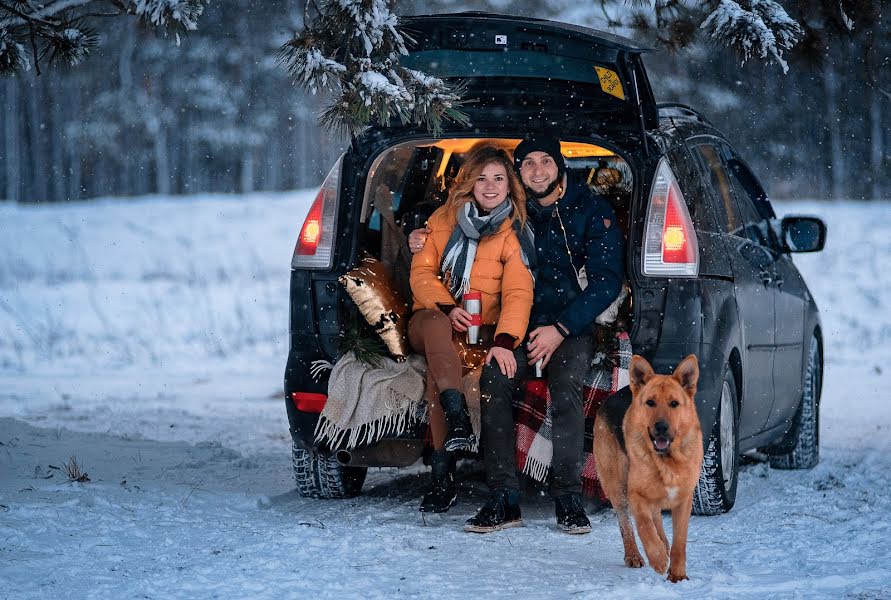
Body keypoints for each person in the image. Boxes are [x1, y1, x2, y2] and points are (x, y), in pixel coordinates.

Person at [409, 135, 625, 533]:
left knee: (565, 386)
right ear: (518, 172)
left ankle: (568, 497)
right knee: (495, 381)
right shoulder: (512, 214)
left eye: (546, 161)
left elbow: (606, 281)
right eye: (528, 164)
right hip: (519, 324)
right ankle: (504, 498)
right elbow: (451, 219)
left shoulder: (591, 210)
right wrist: (416, 230)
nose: (538, 170)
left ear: (560, 165)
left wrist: (560, 329)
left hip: (568, 325)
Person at [408, 145, 535, 514]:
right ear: (469, 182)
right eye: (481, 178)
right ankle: (459, 417)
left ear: (510, 185)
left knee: (439, 367)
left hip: (480, 328)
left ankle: (442, 475)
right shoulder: (442, 219)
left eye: (498, 178)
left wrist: (506, 341)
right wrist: (448, 307)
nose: (490, 186)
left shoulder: (513, 233)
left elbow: (517, 292)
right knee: (435, 328)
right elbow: (421, 274)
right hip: (431, 317)